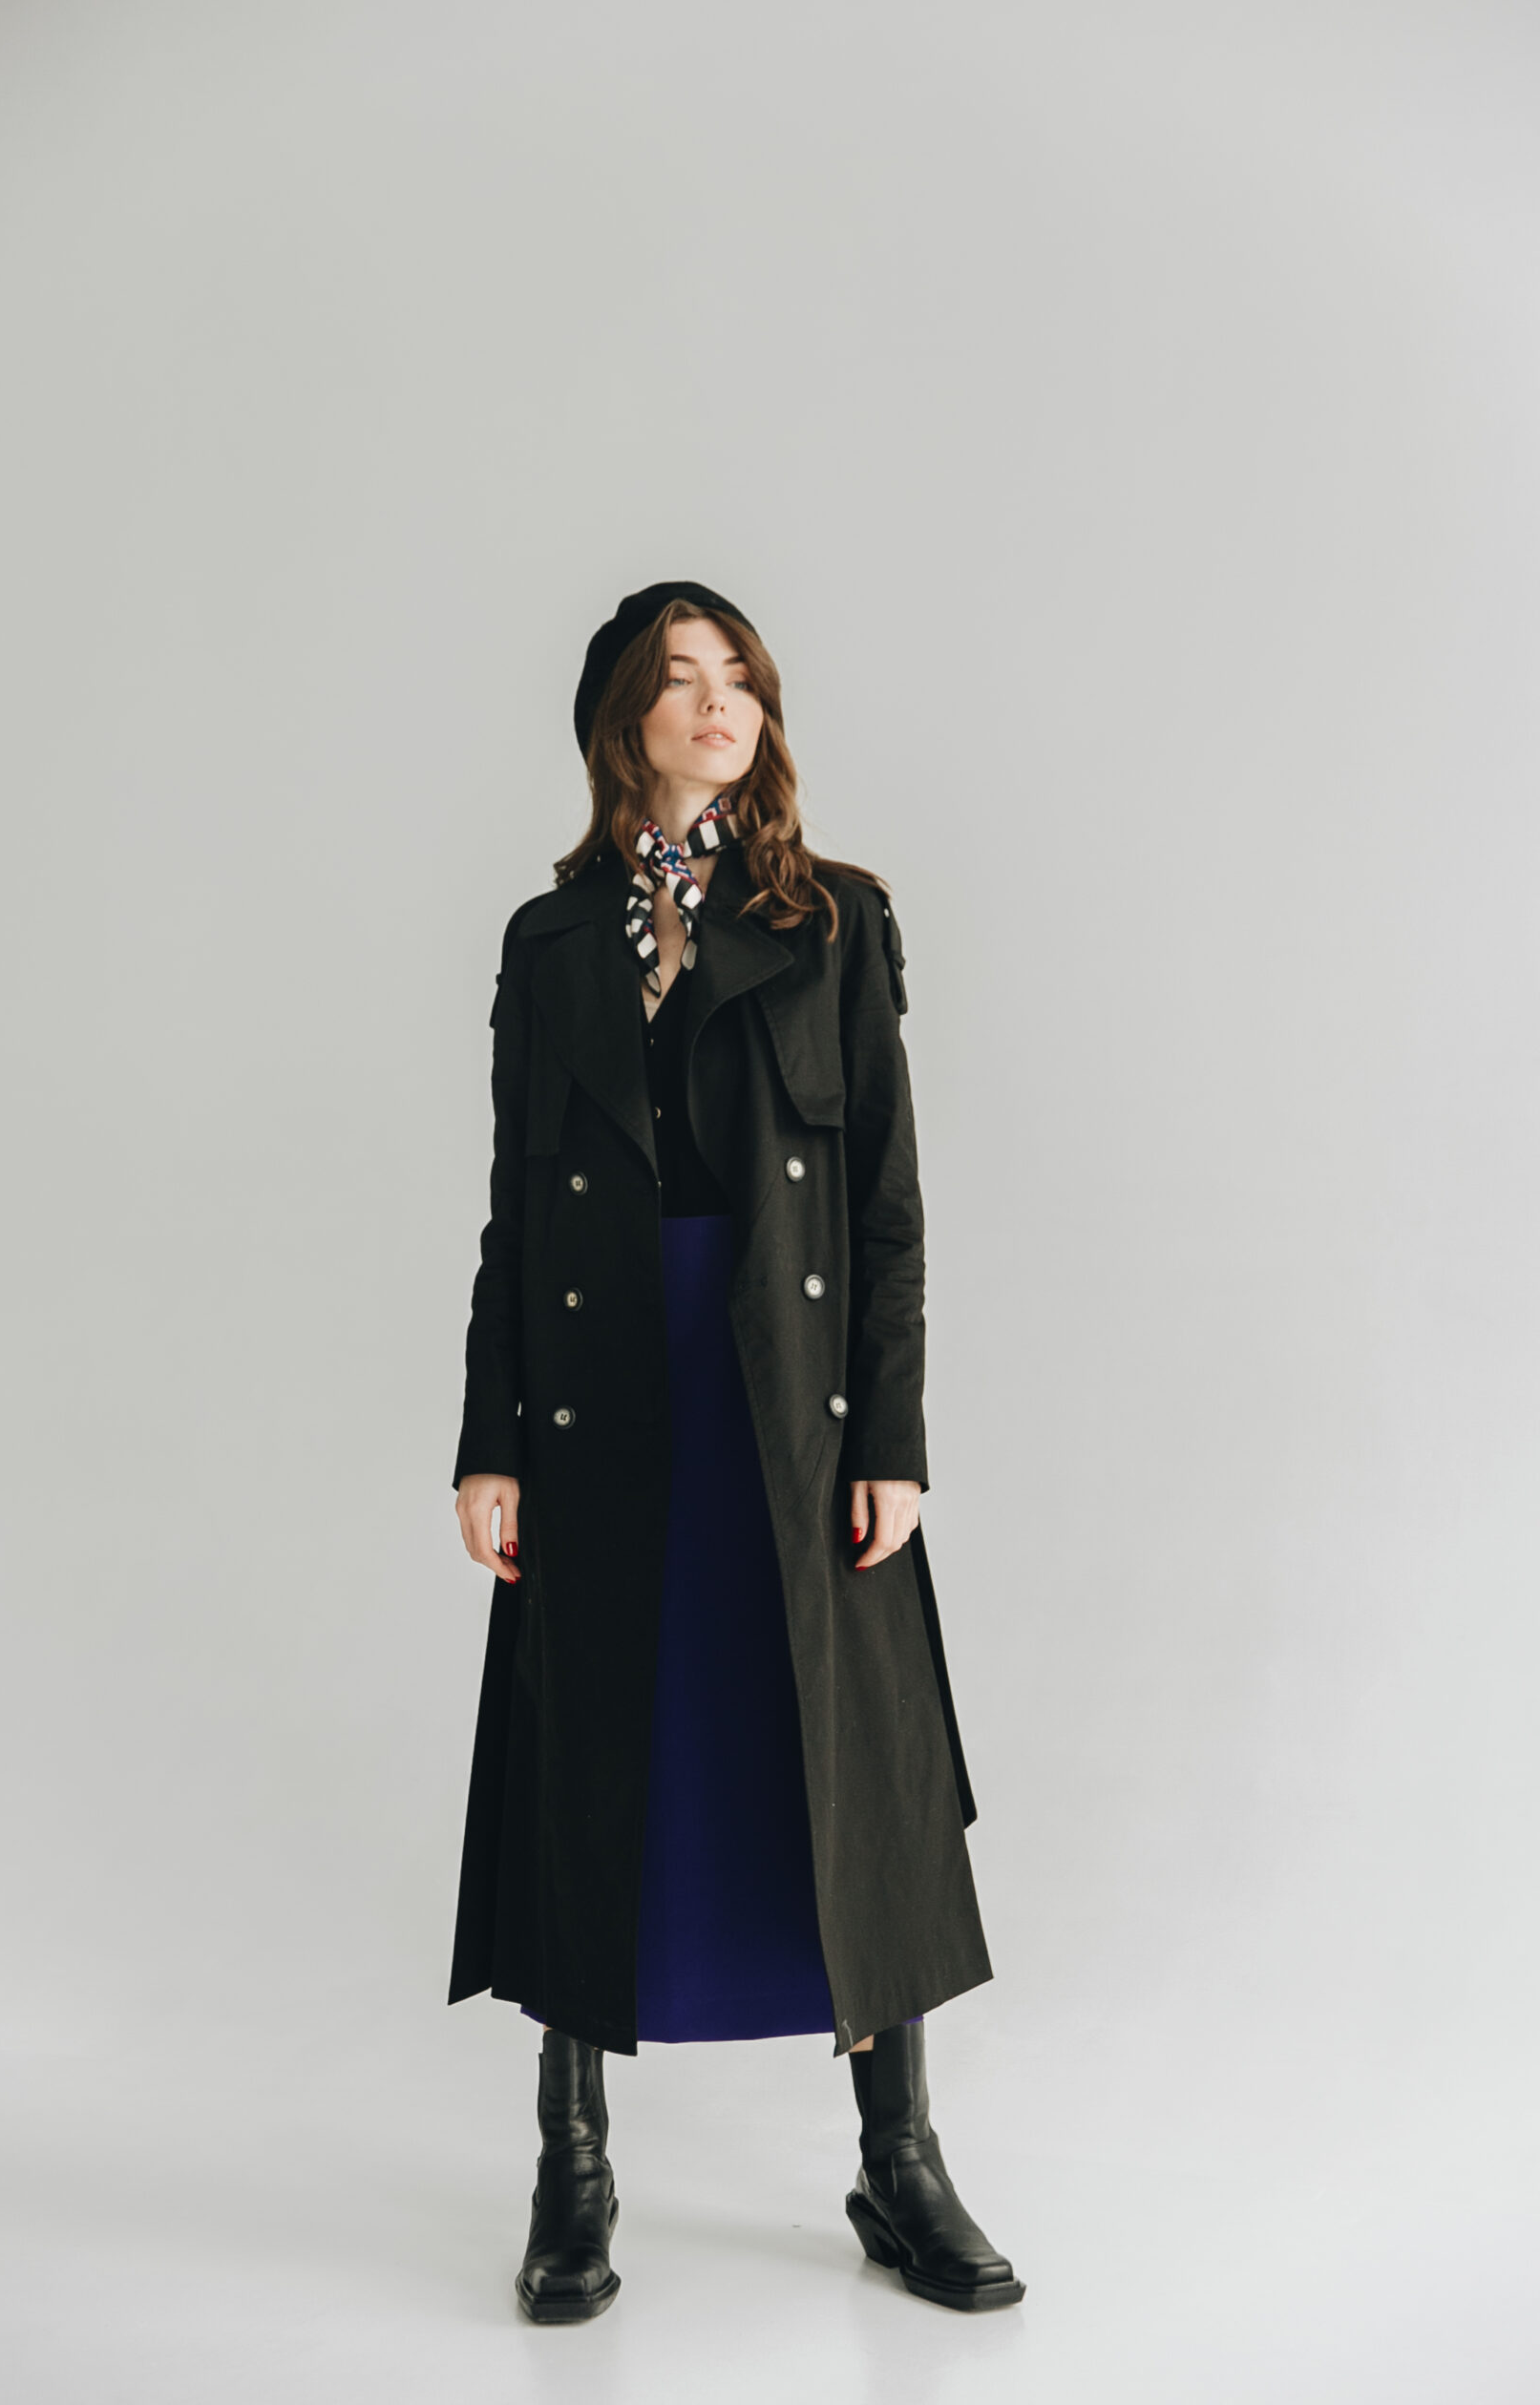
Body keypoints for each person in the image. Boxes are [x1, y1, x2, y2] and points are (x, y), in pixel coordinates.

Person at [450, 580, 1023, 2320]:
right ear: (621, 719)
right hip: (601, 1387)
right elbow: (513, 1213)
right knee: (592, 1748)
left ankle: (899, 2162)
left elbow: (890, 1205)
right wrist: (489, 1439)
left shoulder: (835, 922)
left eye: (742, 678)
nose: (720, 703)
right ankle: (572, 2170)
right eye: (681, 679)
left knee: (845, 1760)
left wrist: (893, 1433)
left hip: (796, 1394)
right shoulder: (552, 943)